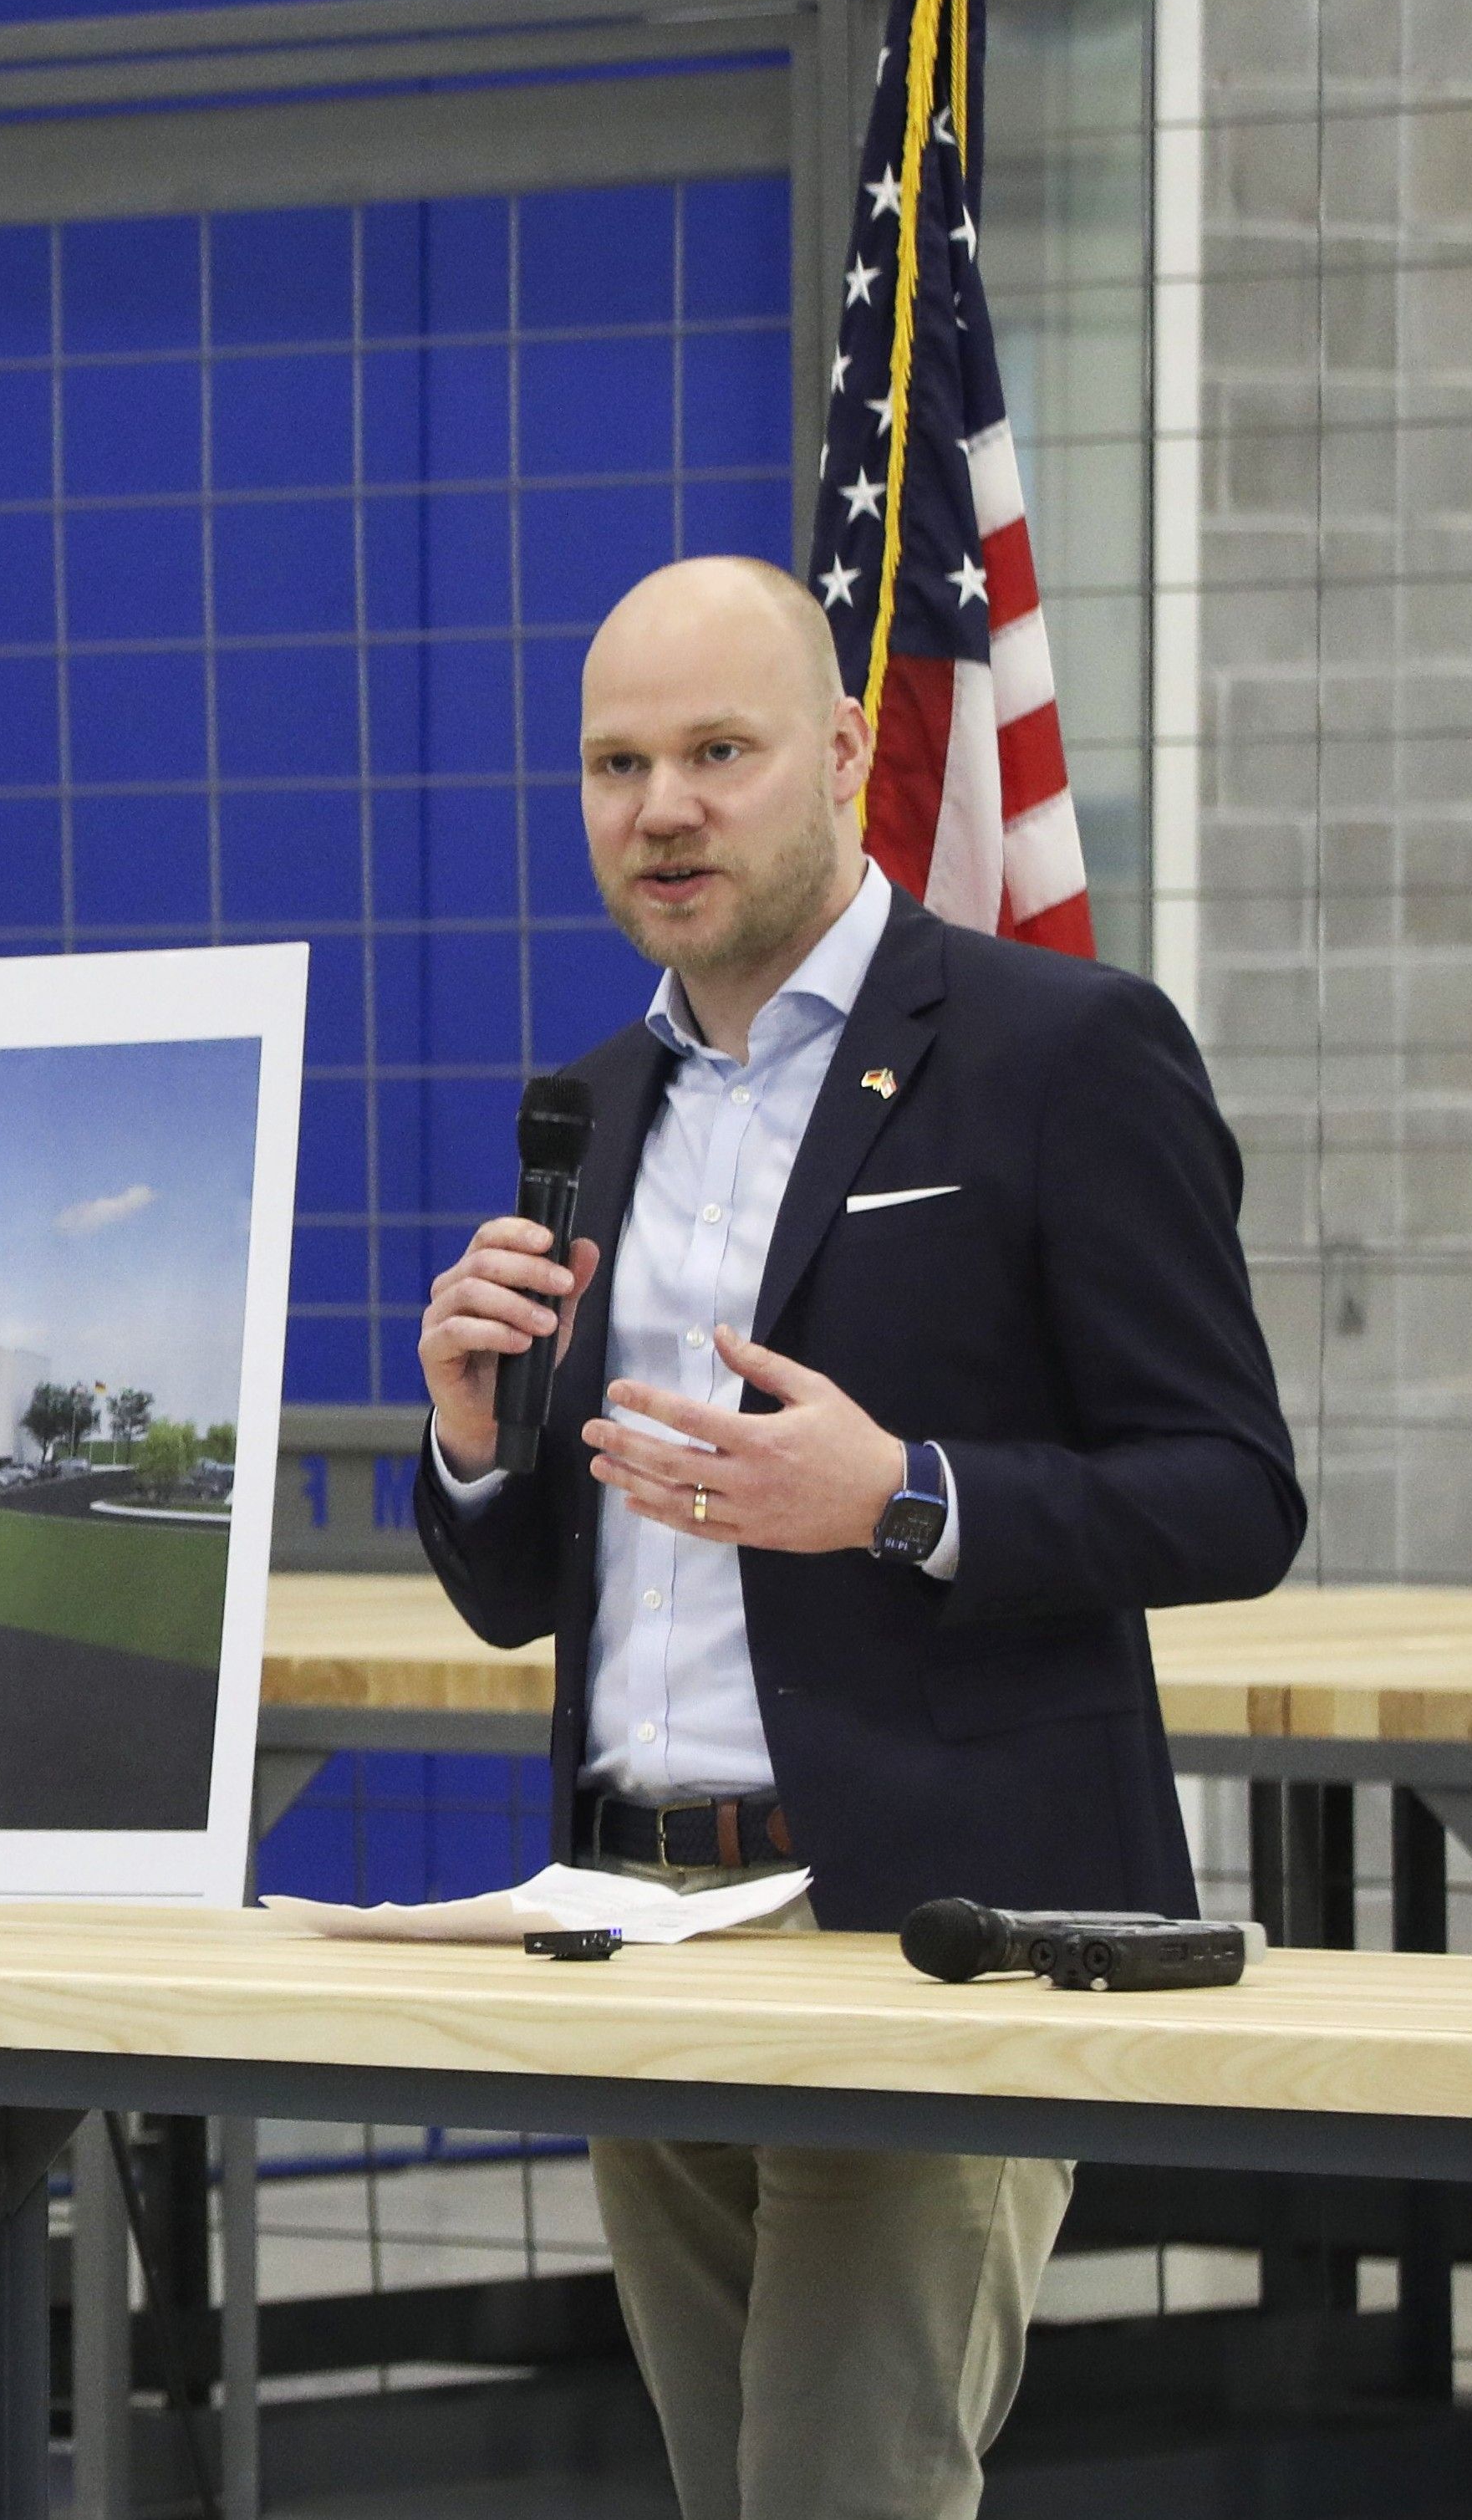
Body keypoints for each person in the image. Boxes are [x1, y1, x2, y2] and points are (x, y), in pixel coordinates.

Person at [411, 554, 1304, 2520]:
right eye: (616, 762)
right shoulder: (593, 1102)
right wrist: (479, 1443)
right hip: (632, 1918)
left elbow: (1236, 1490)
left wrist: (904, 1496)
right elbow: (523, 1592)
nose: (663, 809)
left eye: (719, 752)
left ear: (840, 748)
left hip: (928, 1929)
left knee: (844, 2493)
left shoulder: (1066, 1052)